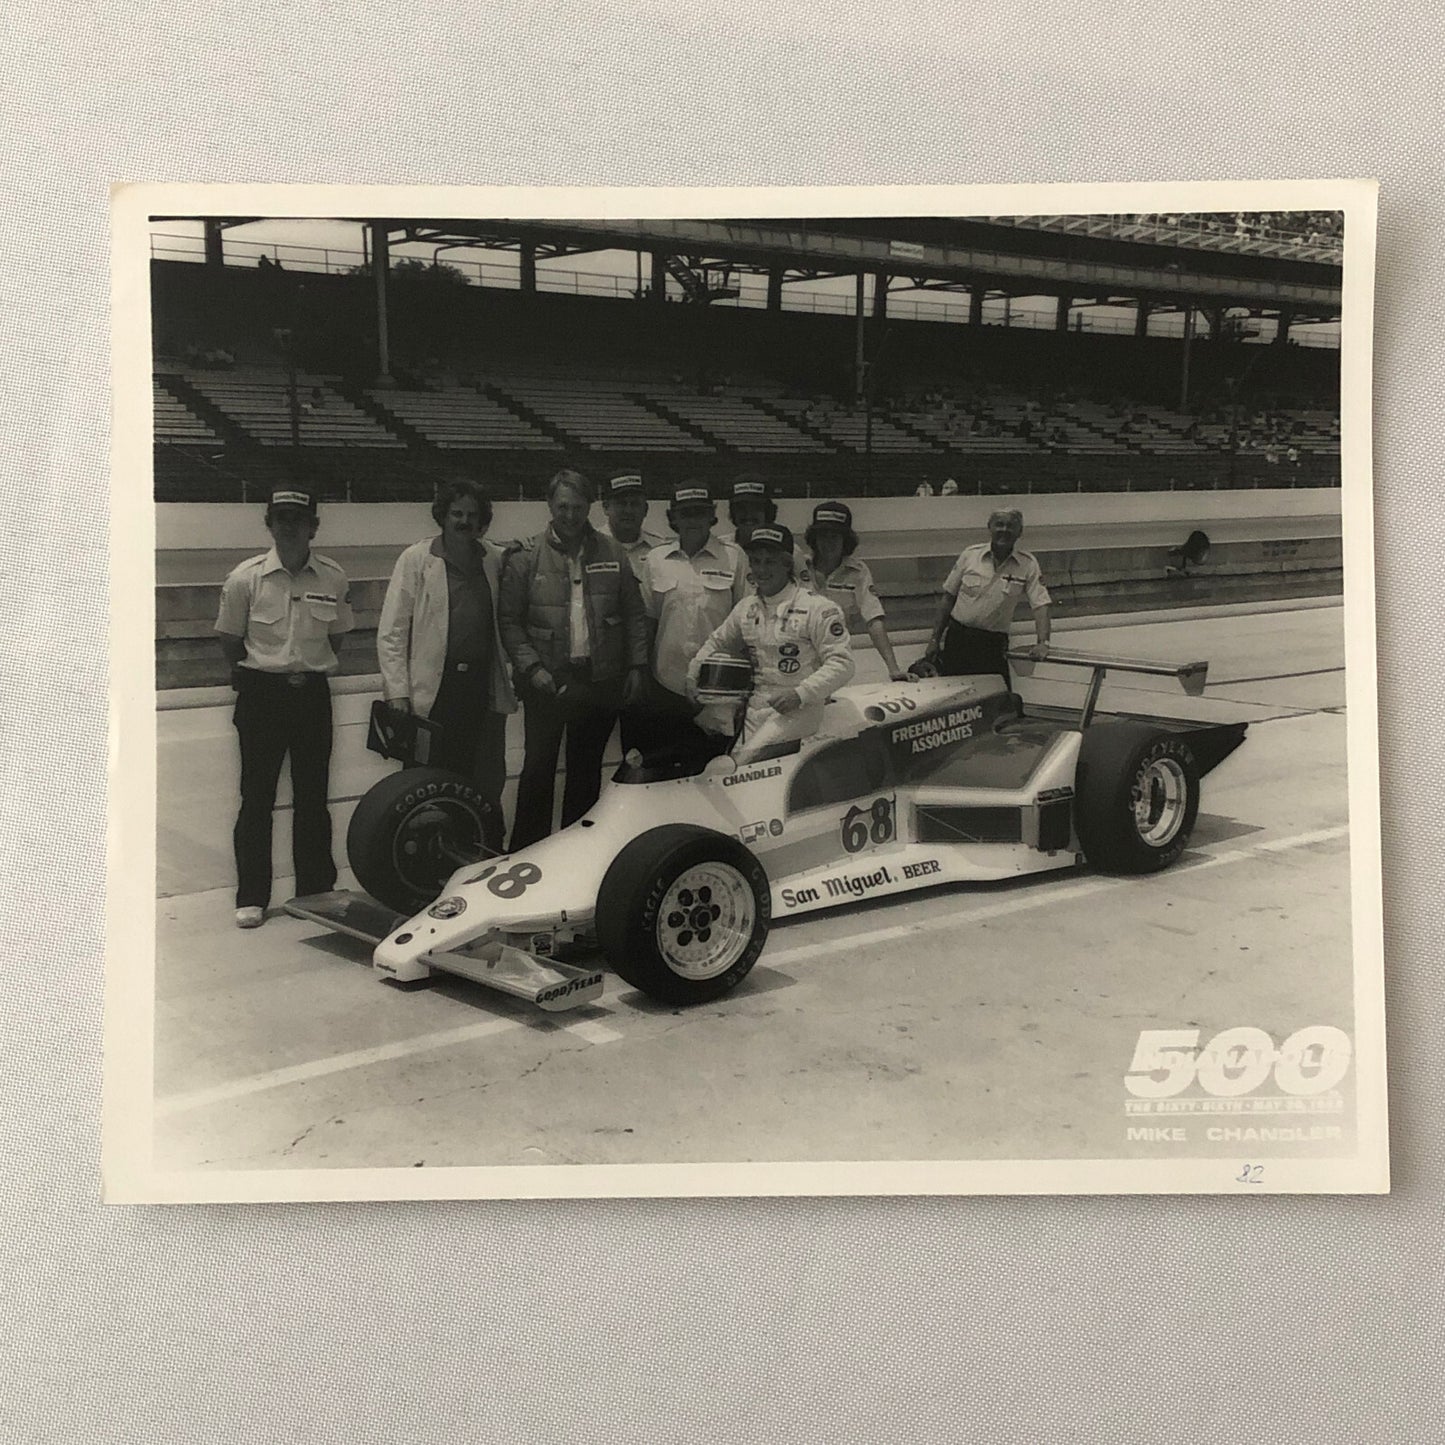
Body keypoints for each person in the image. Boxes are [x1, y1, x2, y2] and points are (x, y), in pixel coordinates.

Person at [214, 490, 353, 928]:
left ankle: (314, 890)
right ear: (269, 524)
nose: (289, 526)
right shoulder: (246, 578)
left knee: (313, 797)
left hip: (311, 696)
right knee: (256, 798)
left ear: (314, 526)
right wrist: (266, 672)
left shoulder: (332, 578)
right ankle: (252, 896)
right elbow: (231, 640)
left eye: (298, 518)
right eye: (281, 518)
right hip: (262, 696)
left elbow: (337, 637)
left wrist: (303, 667)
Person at [499, 469, 649, 849]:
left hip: (598, 681)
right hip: (546, 681)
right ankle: (527, 851)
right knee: (538, 771)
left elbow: (634, 614)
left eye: (578, 507)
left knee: (585, 774)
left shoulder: (612, 551)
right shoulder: (526, 555)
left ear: (590, 507)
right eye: (563, 506)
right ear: (550, 505)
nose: (570, 515)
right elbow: (510, 622)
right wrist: (532, 668)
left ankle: (576, 852)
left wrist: (637, 666)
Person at [375, 478, 517, 809]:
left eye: (472, 515)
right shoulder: (416, 559)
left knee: (479, 778)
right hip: (435, 690)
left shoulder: (494, 559)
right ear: (443, 515)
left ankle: (475, 835)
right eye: (457, 513)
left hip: (480, 687)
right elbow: (392, 630)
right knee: (423, 779)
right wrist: (397, 692)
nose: (464, 521)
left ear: (482, 520)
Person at [687, 523, 855, 757]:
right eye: (756, 561)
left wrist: (800, 693)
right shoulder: (746, 608)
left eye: (770, 562)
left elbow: (843, 664)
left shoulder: (819, 608)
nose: (761, 570)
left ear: (787, 564)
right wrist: (693, 673)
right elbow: (717, 642)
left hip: (800, 709)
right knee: (734, 766)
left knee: (748, 764)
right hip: (756, 708)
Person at [631, 481, 748, 763]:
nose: (692, 520)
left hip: (718, 688)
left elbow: (747, 622)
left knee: (715, 769)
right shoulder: (656, 559)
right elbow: (647, 621)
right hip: (666, 686)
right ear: (673, 518)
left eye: (699, 512)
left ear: (712, 516)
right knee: (665, 770)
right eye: (685, 513)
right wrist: (641, 672)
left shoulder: (734, 557)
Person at [924, 508, 1051, 689]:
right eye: (999, 524)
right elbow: (948, 599)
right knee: (955, 696)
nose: (1004, 530)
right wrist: (934, 640)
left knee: (998, 697)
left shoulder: (1028, 564)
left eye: (1011, 526)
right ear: (989, 527)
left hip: (992, 645)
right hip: (958, 640)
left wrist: (1043, 643)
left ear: (1020, 532)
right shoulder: (970, 555)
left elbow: (1041, 606)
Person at [799, 501, 907, 682]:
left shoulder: (858, 572)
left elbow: (873, 619)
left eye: (834, 537)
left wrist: (893, 669)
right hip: (797, 658)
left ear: (846, 541)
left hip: (835, 658)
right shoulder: (799, 567)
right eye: (822, 536)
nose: (828, 543)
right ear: (814, 538)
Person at [595, 470, 669, 581]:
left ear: (645, 509)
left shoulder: (661, 550)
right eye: (621, 503)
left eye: (635, 504)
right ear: (606, 507)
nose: (628, 510)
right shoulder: (590, 547)